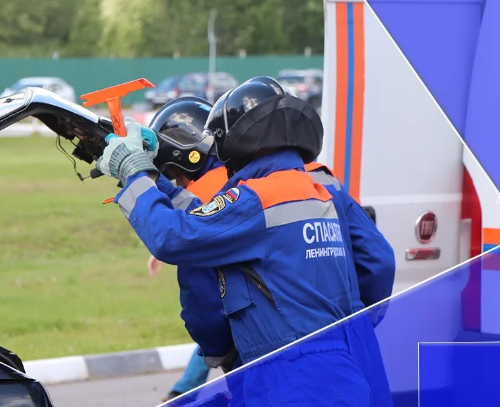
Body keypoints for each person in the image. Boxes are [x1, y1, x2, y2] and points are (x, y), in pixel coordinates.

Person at [96, 80, 371, 406]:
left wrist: (133, 171)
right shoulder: (316, 191)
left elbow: (173, 237)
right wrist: (152, 178)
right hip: (340, 373)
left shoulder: (257, 198)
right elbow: (209, 221)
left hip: (288, 382)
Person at [144, 96, 232, 403]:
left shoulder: (206, 192)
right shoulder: (241, 178)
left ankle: (183, 390)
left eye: (173, 171)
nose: (178, 182)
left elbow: (205, 309)